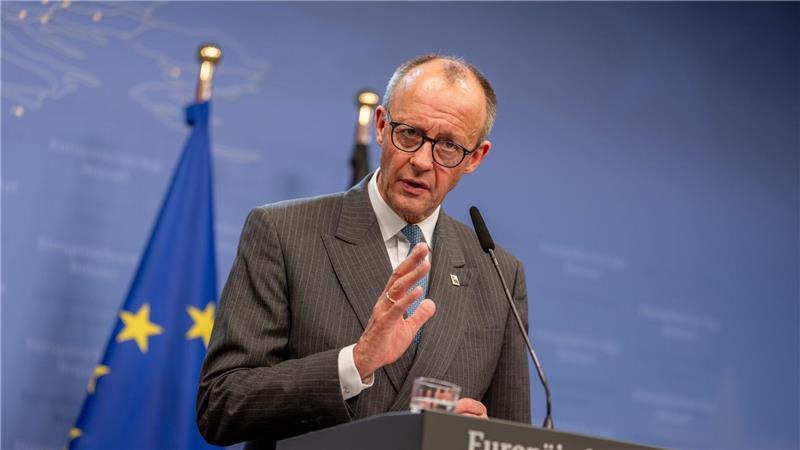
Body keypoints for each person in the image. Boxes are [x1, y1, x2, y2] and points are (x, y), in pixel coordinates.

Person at [196, 54, 531, 449]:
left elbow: (512, 438)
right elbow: (221, 404)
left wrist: (481, 439)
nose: (422, 161)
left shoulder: (498, 272)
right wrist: (354, 364)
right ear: (382, 126)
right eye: (409, 134)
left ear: (475, 157)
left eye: (448, 147)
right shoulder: (283, 233)